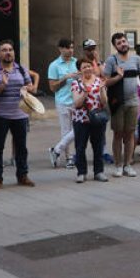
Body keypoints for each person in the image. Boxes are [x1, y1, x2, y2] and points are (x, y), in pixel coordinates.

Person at [0, 40, 35, 190]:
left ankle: (22, 175)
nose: (8, 52)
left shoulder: (21, 69)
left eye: (10, 50)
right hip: (0, 115)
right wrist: (2, 86)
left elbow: (30, 86)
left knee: (21, 147)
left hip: (20, 115)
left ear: (14, 53)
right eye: (4, 50)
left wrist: (27, 88)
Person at [103, 32, 140, 179]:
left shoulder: (136, 59)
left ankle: (128, 165)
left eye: (124, 41)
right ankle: (118, 165)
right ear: (115, 46)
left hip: (134, 102)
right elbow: (105, 82)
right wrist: (118, 76)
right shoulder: (111, 60)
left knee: (130, 133)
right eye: (119, 43)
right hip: (117, 103)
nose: (123, 44)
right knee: (118, 134)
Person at [70, 60, 109, 183]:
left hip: (97, 118)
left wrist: (102, 90)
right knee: (80, 147)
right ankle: (81, 172)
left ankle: (99, 171)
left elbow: (104, 102)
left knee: (98, 146)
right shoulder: (76, 83)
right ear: (79, 70)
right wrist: (85, 92)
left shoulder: (99, 81)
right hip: (81, 119)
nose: (87, 68)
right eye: (84, 67)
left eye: (89, 66)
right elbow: (77, 103)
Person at [47, 39, 78, 170]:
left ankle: (56, 150)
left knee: (77, 128)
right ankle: (69, 158)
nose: (70, 50)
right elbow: (52, 87)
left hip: (77, 100)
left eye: (71, 47)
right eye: (67, 48)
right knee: (66, 131)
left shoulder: (76, 62)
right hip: (63, 101)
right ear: (60, 49)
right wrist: (65, 78)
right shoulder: (54, 65)